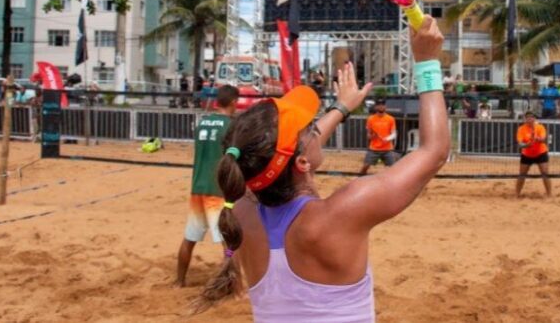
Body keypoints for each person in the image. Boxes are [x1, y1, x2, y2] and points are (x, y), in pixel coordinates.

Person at [192, 16, 448, 319]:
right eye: (308, 128)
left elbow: (277, 156)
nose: (315, 129)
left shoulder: (241, 209)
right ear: (301, 162)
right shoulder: (338, 215)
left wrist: (340, 109)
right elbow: (434, 151)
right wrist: (427, 63)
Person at [176, 84, 240, 287]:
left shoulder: (202, 123)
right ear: (233, 102)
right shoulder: (230, 126)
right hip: (217, 190)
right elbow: (232, 156)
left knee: (189, 239)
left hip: (198, 188)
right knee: (228, 241)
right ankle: (230, 282)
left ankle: (179, 282)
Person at [516, 111, 551, 197]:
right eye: (527, 117)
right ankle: (517, 194)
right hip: (527, 154)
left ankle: (549, 194)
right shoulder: (521, 129)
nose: (529, 119)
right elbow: (520, 144)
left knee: (545, 173)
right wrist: (527, 145)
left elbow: (543, 139)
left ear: (534, 118)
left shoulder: (540, 127)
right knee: (522, 174)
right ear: (525, 119)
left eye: (531, 117)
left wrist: (537, 138)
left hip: (540, 153)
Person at [359, 98, 398, 175]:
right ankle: (360, 178)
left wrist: (387, 139)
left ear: (385, 106)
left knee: (394, 168)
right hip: (374, 148)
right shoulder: (370, 119)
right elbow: (368, 135)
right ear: (375, 107)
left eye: (382, 105)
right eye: (379, 105)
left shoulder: (391, 119)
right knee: (365, 166)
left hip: (387, 148)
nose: (381, 106)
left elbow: (394, 134)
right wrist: (372, 136)